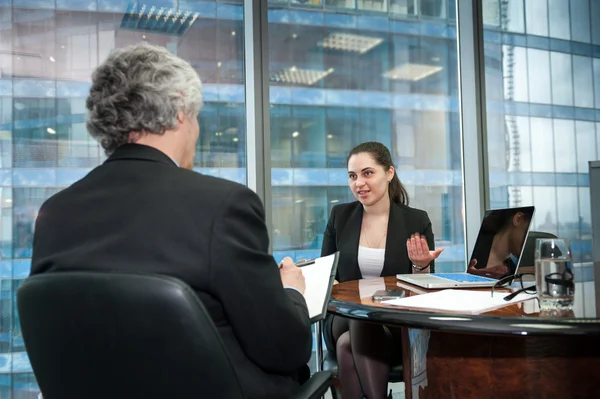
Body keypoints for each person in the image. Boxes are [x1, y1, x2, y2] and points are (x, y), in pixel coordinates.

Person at [28, 43, 312, 399]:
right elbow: (284, 348)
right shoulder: (223, 205)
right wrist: (292, 291)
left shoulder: (55, 214)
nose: (195, 130)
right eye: (196, 116)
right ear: (180, 109)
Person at [321, 142, 443, 399]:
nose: (359, 183)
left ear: (389, 173)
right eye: (352, 176)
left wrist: (421, 265)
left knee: (347, 347)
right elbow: (326, 274)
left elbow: (424, 289)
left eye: (367, 173)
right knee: (359, 314)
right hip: (342, 318)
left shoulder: (416, 220)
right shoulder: (339, 216)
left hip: (395, 323)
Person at [467, 208, 534, 279]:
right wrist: (468, 277)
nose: (528, 240)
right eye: (527, 232)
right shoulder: (472, 246)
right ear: (518, 219)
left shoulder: (512, 271)